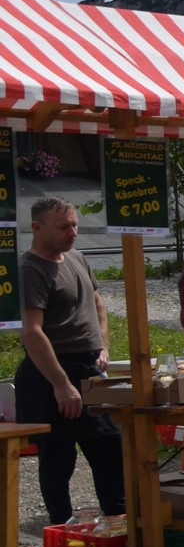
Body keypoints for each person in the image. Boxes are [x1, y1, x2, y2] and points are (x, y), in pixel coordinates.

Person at [14, 196, 125, 527]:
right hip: (50, 371)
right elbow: (31, 332)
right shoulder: (30, 269)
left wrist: (103, 346)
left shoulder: (77, 257)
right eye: (64, 227)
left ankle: (117, 523)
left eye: (75, 225)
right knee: (58, 456)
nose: (73, 232)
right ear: (37, 227)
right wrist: (61, 384)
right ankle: (61, 528)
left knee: (109, 447)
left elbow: (97, 302)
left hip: (88, 367)